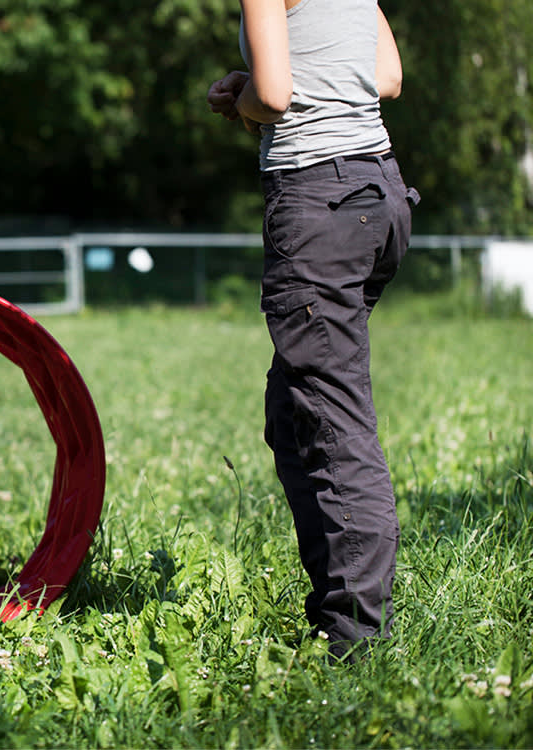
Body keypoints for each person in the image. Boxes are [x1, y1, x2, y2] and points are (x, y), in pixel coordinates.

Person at [207, 0, 419, 660]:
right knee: (294, 412)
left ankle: (354, 642)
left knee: (331, 420)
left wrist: (242, 97)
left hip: (320, 201)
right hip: (378, 193)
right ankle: (338, 602)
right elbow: (386, 78)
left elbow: (275, 94)